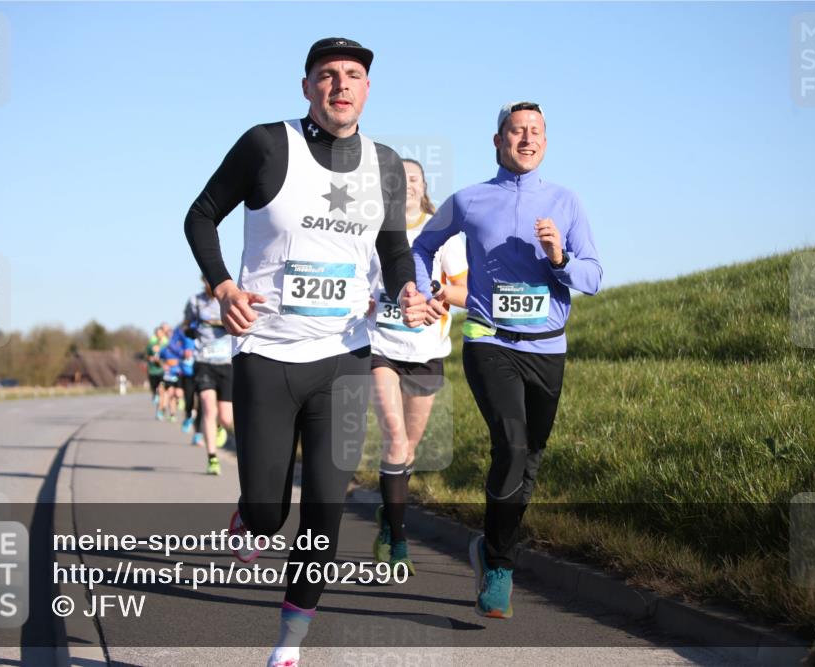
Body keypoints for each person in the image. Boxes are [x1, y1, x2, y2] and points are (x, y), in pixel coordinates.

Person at [184, 37, 428, 667]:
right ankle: (250, 520)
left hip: (345, 356)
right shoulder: (267, 145)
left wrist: (406, 287)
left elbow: (394, 247)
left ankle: (288, 646)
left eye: (352, 75)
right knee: (268, 513)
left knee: (325, 513)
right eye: (327, 74)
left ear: (367, 89)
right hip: (266, 352)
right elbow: (201, 215)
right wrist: (224, 286)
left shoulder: (385, 164)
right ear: (307, 87)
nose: (340, 84)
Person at [411, 102, 602, 619]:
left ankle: (490, 546)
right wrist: (424, 289)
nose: (527, 139)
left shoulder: (566, 202)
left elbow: (593, 276)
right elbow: (422, 247)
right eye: (517, 131)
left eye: (536, 131)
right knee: (512, 446)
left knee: (529, 459)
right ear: (498, 141)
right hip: (489, 339)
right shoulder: (469, 200)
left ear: (546, 142)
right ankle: (499, 567)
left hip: (548, 347)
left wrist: (559, 257)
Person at [369, 158, 468, 575]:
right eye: (400, 178)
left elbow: (466, 290)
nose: (407, 184)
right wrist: (364, 300)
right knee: (394, 440)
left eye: (414, 179)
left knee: (408, 450)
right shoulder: (373, 228)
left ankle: (389, 515)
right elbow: (354, 280)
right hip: (381, 348)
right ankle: (398, 539)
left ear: (424, 187)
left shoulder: (442, 233)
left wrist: (436, 292)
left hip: (426, 351)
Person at [185, 275, 234, 476]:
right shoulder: (195, 301)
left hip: (226, 362)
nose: (210, 284)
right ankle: (212, 457)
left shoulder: (229, 298)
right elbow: (186, 325)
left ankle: (219, 427)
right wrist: (190, 330)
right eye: (207, 281)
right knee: (207, 406)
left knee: (226, 417)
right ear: (203, 281)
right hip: (204, 362)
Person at [145, 325, 165, 412]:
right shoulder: (150, 345)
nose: (159, 335)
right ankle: (154, 394)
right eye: (158, 333)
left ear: (163, 334)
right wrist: (151, 358)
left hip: (162, 371)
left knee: (161, 390)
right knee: (154, 389)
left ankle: (159, 411)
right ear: (155, 334)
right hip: (152, 371)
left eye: (161, 333)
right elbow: (146, 356)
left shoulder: (166, 345)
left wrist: (162, 361)